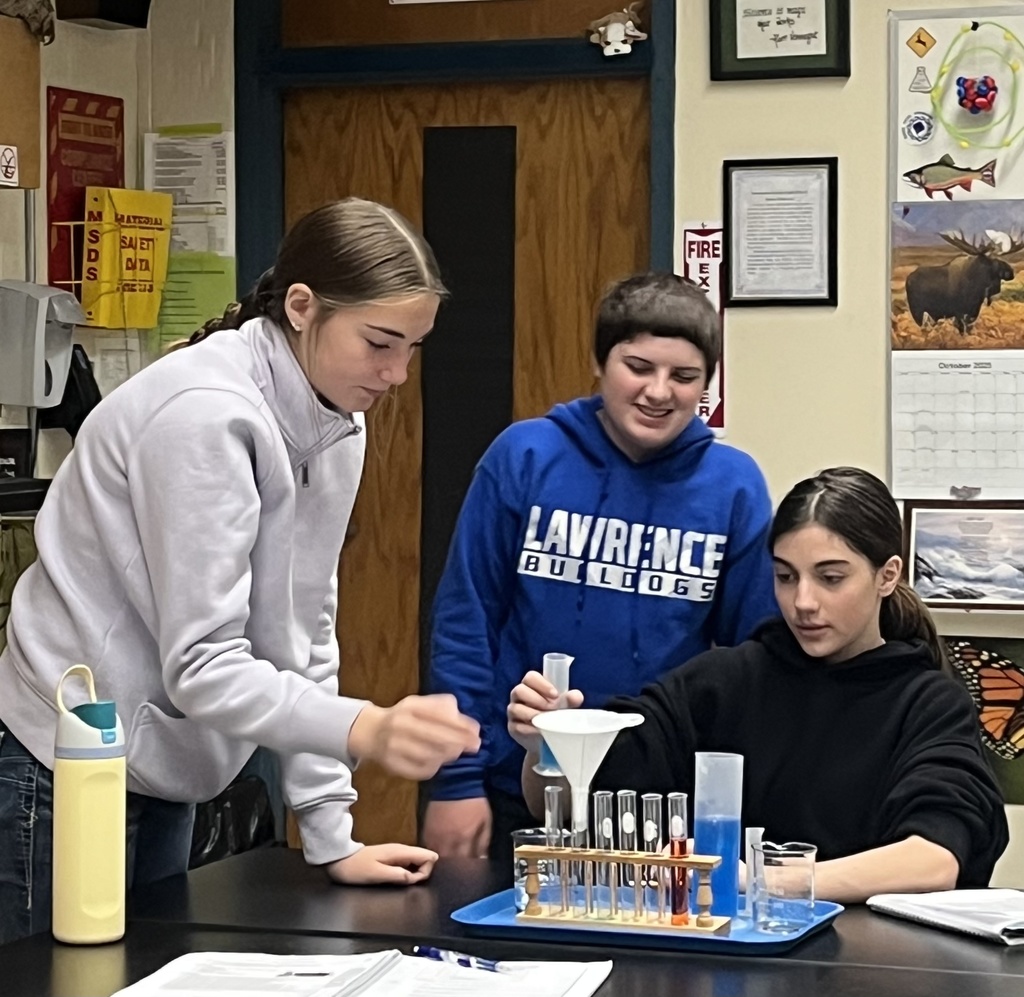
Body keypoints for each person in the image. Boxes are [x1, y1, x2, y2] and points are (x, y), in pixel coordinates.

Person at [0, 198, 482, 945]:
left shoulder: (335, 421)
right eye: (380, 343)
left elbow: (304, 635)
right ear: (301, 306)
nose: (396, 374)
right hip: (63, 764)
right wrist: (367, 726)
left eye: (413, 347)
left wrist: (331, 831)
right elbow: (202, 663)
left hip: (171, 761)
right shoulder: (205, 413)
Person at [509, 467, 1009, 900]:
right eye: (786, 577)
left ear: (887, 575)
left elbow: (934, 860)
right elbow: (569, 802)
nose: (803, 602)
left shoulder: (927, 702)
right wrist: (543, 748)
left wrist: (763, 879)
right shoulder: (723, 681)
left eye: (831, 578)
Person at [425, 273, 777, 864]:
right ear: (599, 361)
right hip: (517, 787)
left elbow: (754, 658)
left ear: (706, 387)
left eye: (684, 377)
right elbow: (466, 623)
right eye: (638, 367)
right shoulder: (525, 455)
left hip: (663, 805)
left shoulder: (733, 486)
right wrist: (456, 782)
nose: (659, 392)